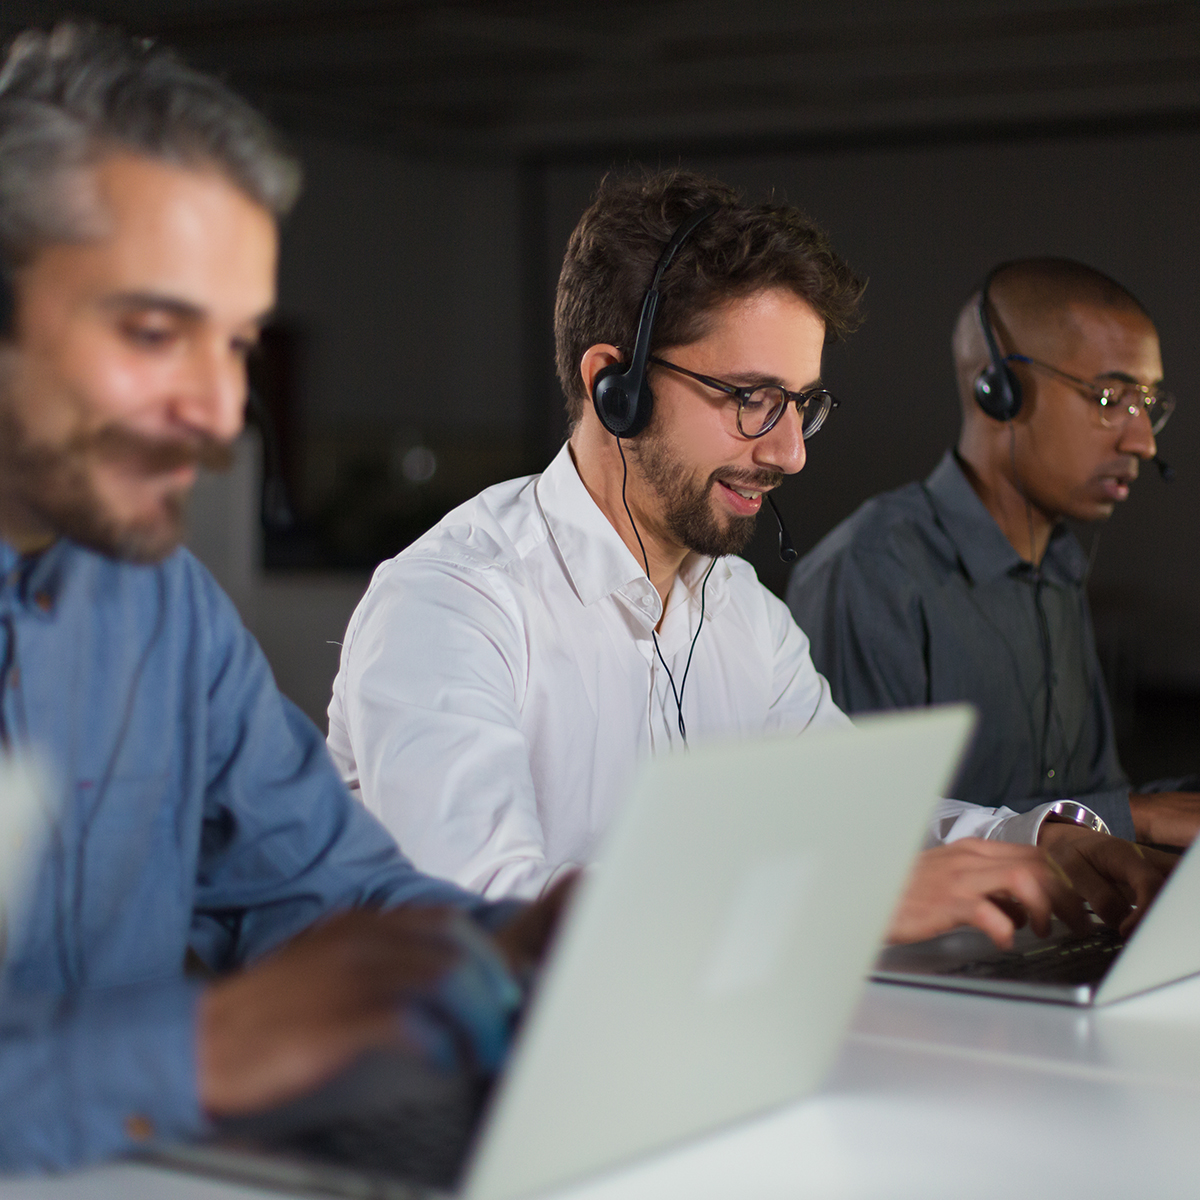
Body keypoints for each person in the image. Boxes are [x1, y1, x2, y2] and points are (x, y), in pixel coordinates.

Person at [0, 23, 565, 1174]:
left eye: (238, 346)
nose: (217, 416)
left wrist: (523, 942)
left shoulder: (164, 612)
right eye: (154, 332)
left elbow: (327, 885)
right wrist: (200, 1050)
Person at [327, 177, 1165, 944]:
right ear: (613, 385)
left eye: (802, 405)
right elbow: (486, 920)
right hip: (480, 1093)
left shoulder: (740, 611)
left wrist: (1041, 844)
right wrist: (838, 898)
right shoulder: (451, 604)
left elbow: (858, 816)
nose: (792, 452)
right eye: (752, 401)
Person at [787, 257, 1200, 849]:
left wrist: (1154, 808)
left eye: (1148, 403)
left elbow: (1095, 791)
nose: (1142, 440)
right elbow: (864, 836)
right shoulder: (872, 571)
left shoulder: (1054, 567)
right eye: (1110, 398)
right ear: (998, 391)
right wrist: (1138, 814)